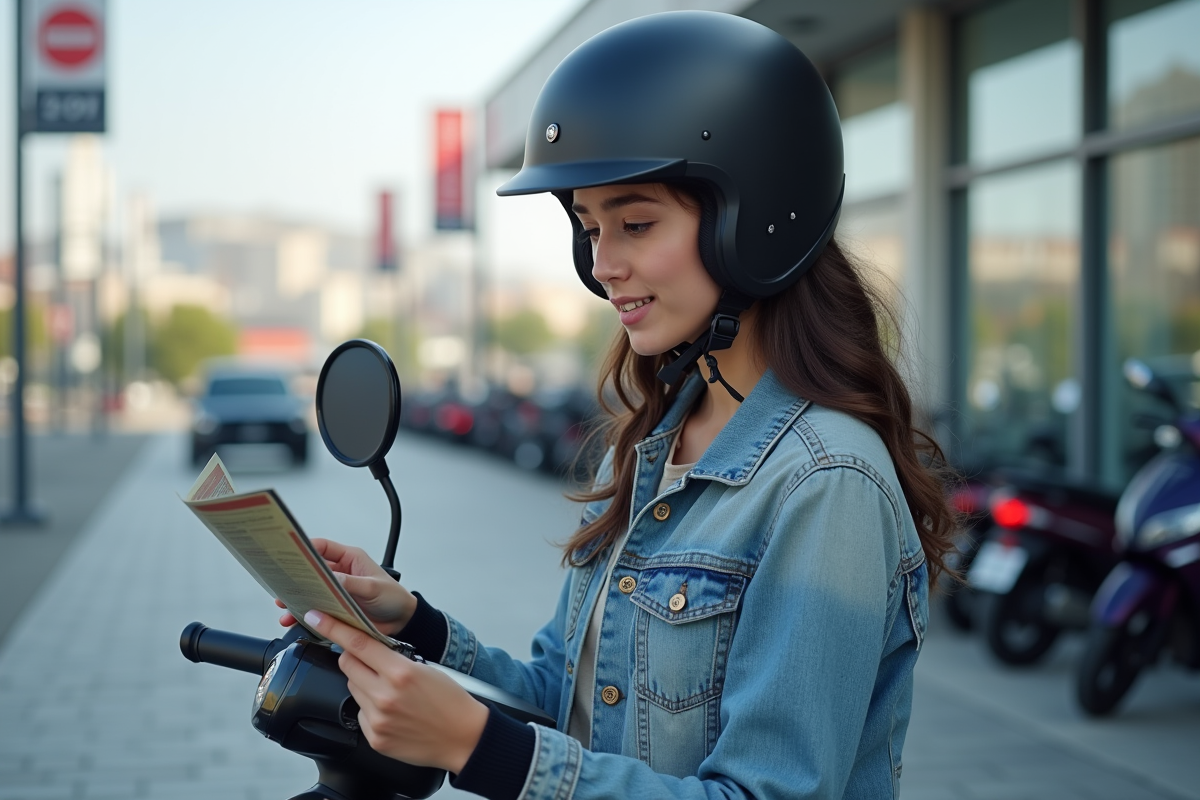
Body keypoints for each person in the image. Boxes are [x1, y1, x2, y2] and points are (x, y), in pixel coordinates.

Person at [286, 11, 959, 800]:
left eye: (636, 223)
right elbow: (573, 690)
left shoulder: (827, 483)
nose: (604, 264)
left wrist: (479, 749)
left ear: (762, 218)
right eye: (589, 226)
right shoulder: (652, 442)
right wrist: (419, 627)